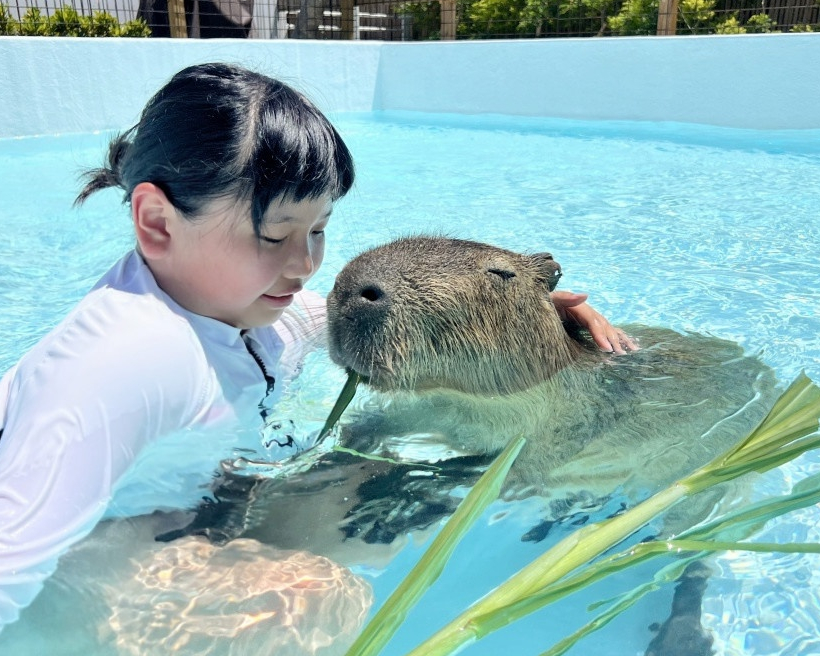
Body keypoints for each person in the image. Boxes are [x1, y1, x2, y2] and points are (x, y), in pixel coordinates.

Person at [0, 62, 634, 631]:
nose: (305, 265)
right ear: (158, 223)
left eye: (319, 231)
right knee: (320, 600)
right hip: (97, 563)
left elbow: (391, 310)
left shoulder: (249, 308)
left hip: (210, 506)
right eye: (276, 236)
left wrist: (536, 308)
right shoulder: (119, 364)